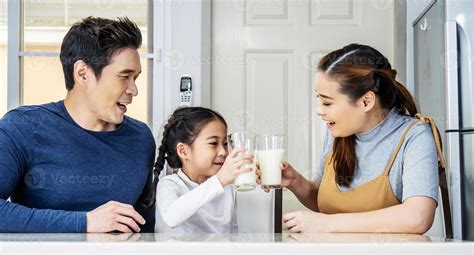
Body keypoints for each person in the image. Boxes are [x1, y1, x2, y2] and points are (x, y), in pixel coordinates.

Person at [258, 43, 443, 234]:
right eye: (318, 99)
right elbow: (325, 203)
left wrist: (326, 224)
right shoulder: (338, 134)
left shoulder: (414, 136)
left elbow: (418, 217)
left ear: (366, 101)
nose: (319, 110)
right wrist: (295, 182)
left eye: (327, 102)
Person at [0, 16, 155, 233]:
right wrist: (85, 222)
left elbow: (146, 227)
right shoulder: (23, 127)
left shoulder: (141, 139)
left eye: (135, 78)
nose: (133, 90)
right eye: (124, 76)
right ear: (83, 74)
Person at [153, 107, 253, 234]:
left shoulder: (227, 188)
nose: (223, 152)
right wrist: (220, 180)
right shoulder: (170, 184)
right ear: (184, 151)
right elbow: (171, 217)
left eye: (225, 143)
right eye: (213, 143)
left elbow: (232, 233)